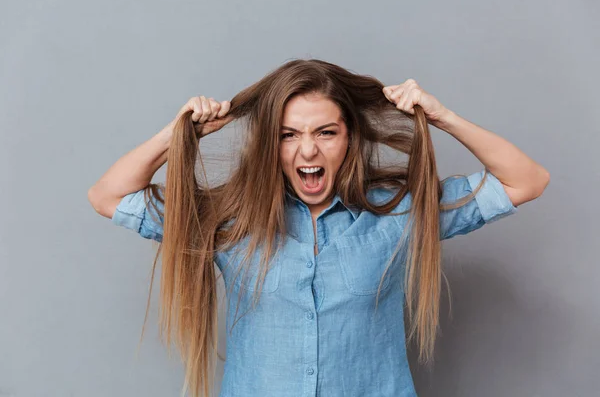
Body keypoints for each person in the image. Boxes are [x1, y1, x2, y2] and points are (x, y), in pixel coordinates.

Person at [87, 59, 549, 397]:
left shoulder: (402, 212)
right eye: (289, 135)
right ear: (272, 143)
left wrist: (441, 115)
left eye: (325, 132)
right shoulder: (230, 218)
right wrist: (181, 133)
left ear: (350, 137)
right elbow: (107, 195)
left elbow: (526, 180)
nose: (307, 152)